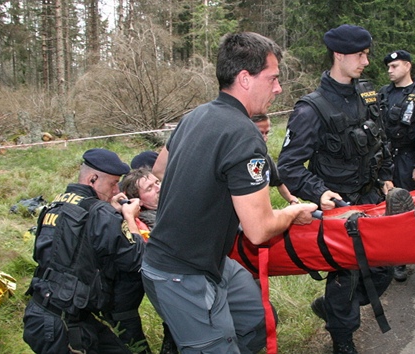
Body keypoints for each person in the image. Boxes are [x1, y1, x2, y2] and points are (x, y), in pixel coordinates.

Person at [141, 32, 318, 353]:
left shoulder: (195, 115)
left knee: (255, 320)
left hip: (208, 261)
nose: (278, 89)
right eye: (273, 78)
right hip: (180, 274)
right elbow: (259, 229)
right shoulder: (244, 133)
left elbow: (159, 170)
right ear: (245, 79)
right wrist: (293, 211)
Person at [277, 24, 411, 354]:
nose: (367, 61)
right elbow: (289, 168)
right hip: (339, 210)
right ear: (340, 55)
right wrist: (318, 191)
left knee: (380, 273)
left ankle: (334, 309)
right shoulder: (311, 109)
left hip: (371, 201)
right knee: (347, 277)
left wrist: (386, 177)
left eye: (367, 54)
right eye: (361, 55)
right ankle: (342, 338)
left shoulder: (367, 94)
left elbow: (380, 143)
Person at [23, 148, 145, 354]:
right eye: (113, 183)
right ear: (93, 179)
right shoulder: (100, 213)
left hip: (47, 312)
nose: (116, 191)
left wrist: (108, 211)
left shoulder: (55, 204)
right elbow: (136, 258)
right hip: (61, 324)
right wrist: (129, 218)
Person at [379, 50, 415, 282]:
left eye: (394, 66)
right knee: (381, 207)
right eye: (388, 67)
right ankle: (381, 256)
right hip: (383, 159)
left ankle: (400, 261)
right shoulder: (383, 94)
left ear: (407, 66)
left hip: (407, 159)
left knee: (403, 210)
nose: (390, 71)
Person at [119, 167, 177, 354]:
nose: (158, 188)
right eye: (149, 188)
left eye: (157, 182)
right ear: (138, 201)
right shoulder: (141, 222)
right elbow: (141, 255)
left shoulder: (170, 206)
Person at [251, 114, 299, 205]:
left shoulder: (264, 157)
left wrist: (292, 200)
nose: (265, 139)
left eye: (267, 133)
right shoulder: (238, 159)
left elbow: (279, 182)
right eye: (260, 133)